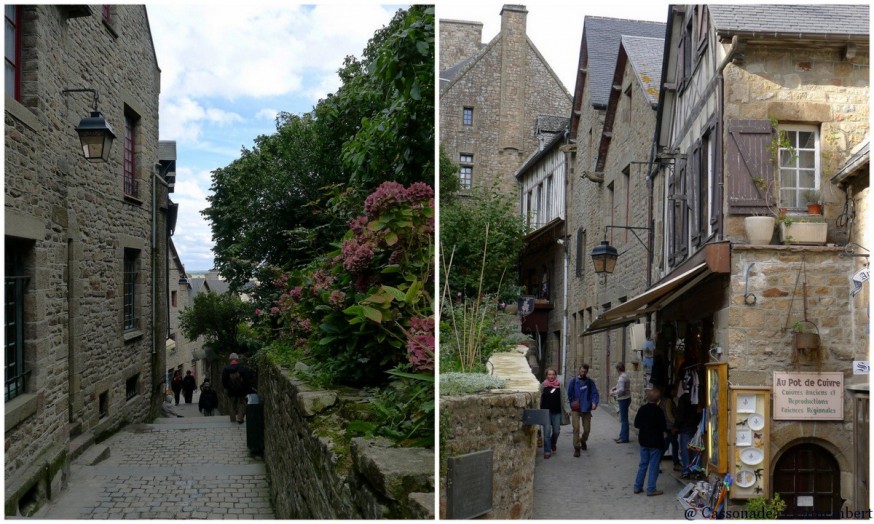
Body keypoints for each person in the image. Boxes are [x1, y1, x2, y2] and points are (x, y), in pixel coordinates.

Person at [633, 387, 667, 496]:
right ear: (658, 400)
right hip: (655, 442)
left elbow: (636, 424)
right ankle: (651, 488)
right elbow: (663, 426)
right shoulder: (658, 411)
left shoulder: (642, 409)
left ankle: (637, 486)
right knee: (654, 465)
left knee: (643, 464)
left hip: (643, 441)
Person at [567, 363, 599, 457]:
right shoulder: (573, 381)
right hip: (575, 408)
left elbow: (594, 393)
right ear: (579, 370)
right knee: (576, 428)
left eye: (585, 371)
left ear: (587, 372)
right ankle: (577, 448)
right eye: (581, 371)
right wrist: (569, 407)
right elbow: (568, 394)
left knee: (587, 430)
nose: (583, 373)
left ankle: (583, 440)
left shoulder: (590, 382)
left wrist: (594, 402)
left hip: (586, 407)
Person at [675, 379, 702, 479]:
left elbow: (680, 415)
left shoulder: (683, 399)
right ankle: (697, 469)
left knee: (685, 450)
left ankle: (686, 470)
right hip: (695, 426)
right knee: (695, 448)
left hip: (685, 427)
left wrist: (676, 426)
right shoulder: (696, 398)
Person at [222, 352, 253, 424]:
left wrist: (227, 387)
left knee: (232, 405)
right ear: (237, 360)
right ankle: (240, 417)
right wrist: (246, 388)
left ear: (230, 360)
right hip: (241, 390)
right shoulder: (242, 368)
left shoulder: (226, 369)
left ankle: (233, 419)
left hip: (231, 390)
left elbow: (224, 380)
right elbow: (247, 379)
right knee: (242, 403)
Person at [539, 368, 563, 459]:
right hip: (545, 412)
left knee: (556, 431)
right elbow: (539, 398)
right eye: (549, 374)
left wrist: (567, 410)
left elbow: (564, 397)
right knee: (547, 432)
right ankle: (547, 451)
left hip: (556, 411)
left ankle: (553, 443)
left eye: (553, 374)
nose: (551, 376)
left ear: (555, 375)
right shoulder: (543, 385)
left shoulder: (559, 385)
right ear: (546, 375)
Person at [662, 382, 682, 471]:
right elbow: (669, 414)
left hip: (667, 427)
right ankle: (676, 464)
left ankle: (676, 463)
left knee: (671, 445)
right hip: (669, 427)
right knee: (671, 445)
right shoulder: (669, 401)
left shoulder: (665, 400)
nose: (676, 391)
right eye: (674, 390)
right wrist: (676, 424)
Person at [610, 362, 631, 443]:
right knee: (624, 418)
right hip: (626, 398)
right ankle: (622, 436)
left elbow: (622, 389)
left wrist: (613, 393)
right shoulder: (625, 375)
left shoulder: (622, 377)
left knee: (624, 419)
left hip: (623, 399)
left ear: (618, 369)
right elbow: (622, 386)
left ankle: (624, 438)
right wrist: (615, 387)